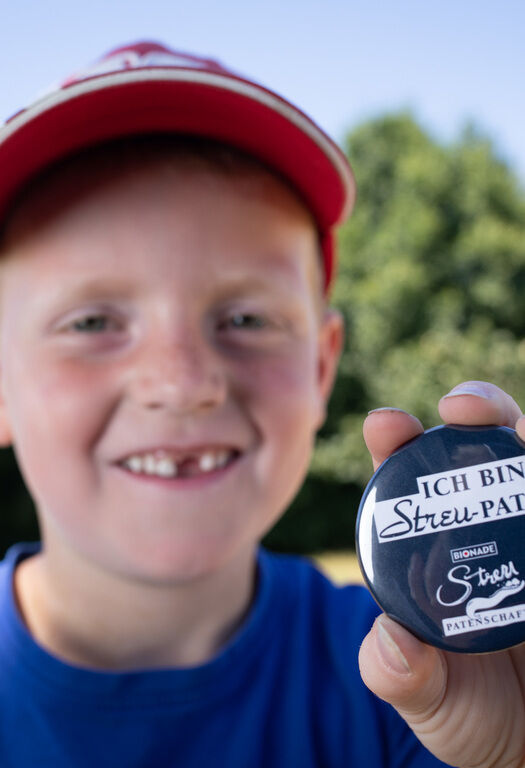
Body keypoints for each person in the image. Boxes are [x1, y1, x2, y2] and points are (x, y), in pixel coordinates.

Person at [0, 41, 522, 768]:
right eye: (91, 322)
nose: (182, 382)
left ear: (320, 368)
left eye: (246, 319)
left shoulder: (434, 687)